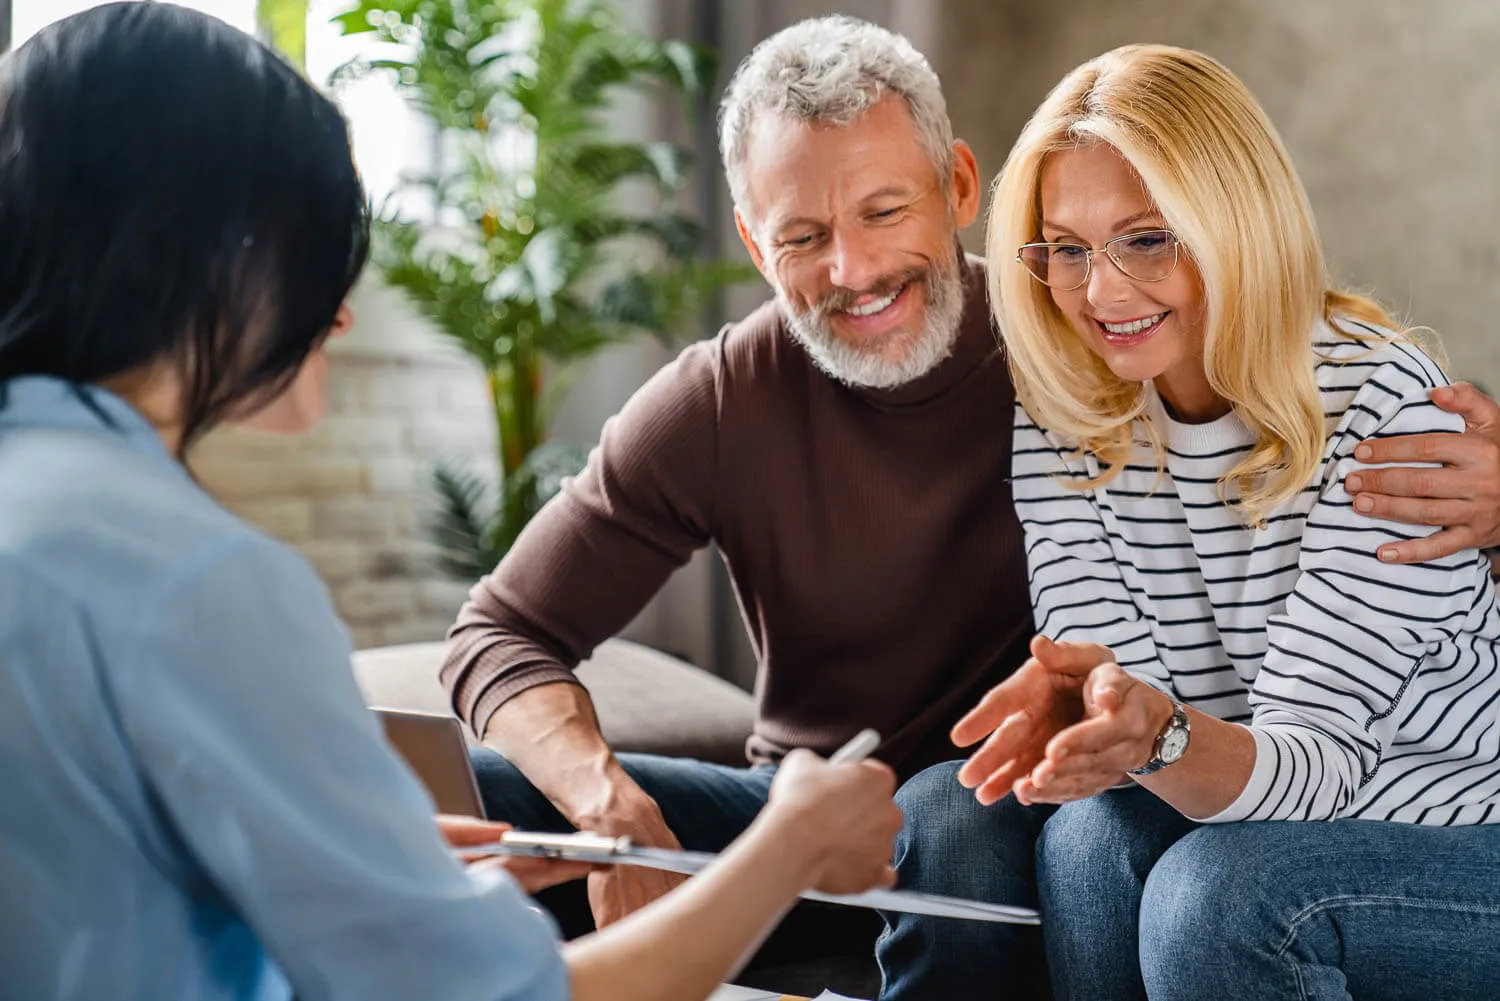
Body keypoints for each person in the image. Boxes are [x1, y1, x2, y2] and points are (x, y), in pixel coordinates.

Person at [441, 15, 1500, 1001]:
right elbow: (500, 630)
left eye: (883, 210)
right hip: (816, 814)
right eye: (802, 235)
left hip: (997, 811)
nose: (851, 269)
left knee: (997, 812)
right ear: (758, 247)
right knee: (472, 797)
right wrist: (605, 806)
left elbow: (1316, 501)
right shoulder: (770, 394)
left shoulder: (1088, 346)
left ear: (956, 186)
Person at [0, 6, 903, 1001]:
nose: (339, 311)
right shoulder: (192, 577)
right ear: (223, 255)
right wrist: (788, 849)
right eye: (325, 251)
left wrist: (356, 860)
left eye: (883, 211)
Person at [956, 43, 1500, 1000]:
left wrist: (1153, 732)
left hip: (1450, 835)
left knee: (1221, 897)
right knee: (1088, 843)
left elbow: (1318, 766)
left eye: (1148, 238)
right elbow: (1126, 693)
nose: (1101, 294)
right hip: (1256, 801)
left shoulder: (1386, 409)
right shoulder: (1067, 406)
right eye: (1068, 249)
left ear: (1236, 222)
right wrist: (1111, 723)